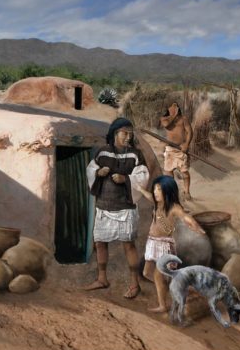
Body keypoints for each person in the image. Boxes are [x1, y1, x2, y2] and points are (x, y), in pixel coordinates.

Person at [83, 118, 150, 299]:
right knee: (100, 243)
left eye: (130, 133)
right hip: (104, 206)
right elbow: (90, 170)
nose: (128, 137)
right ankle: (102, 278)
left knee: (128, 245)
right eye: (124, 133)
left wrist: (126, 179)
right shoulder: (103, 152)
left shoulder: (135, 155)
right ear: (115, 134)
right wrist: (98, 173)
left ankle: (135, 284)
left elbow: (143, 175)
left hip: (125, 207)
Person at [136, 175, 206, 314]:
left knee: (157, 275)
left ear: (168, 191)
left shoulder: (174, 207)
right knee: (146, 273)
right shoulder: (157, 203)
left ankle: (163, 305)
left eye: (159, 189)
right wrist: (140, 189)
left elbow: (186, 217)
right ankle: (174, 285)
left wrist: (196, 226)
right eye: (155, 188)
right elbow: (149, 196)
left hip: (164, 246)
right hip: (152, 243)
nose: (156, 192)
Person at [160, 102, 194, 201]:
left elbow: (189, 131)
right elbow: (167, 125)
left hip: (181, 150)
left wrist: (186, 144)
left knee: (184, 173)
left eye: (176, 106)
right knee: (169, 173)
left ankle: (186, 192)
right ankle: (172, 193)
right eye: (172, 106)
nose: (174, 108)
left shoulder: (184, 119)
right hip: (170, 150)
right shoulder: (164, 119)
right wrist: (173, 115)